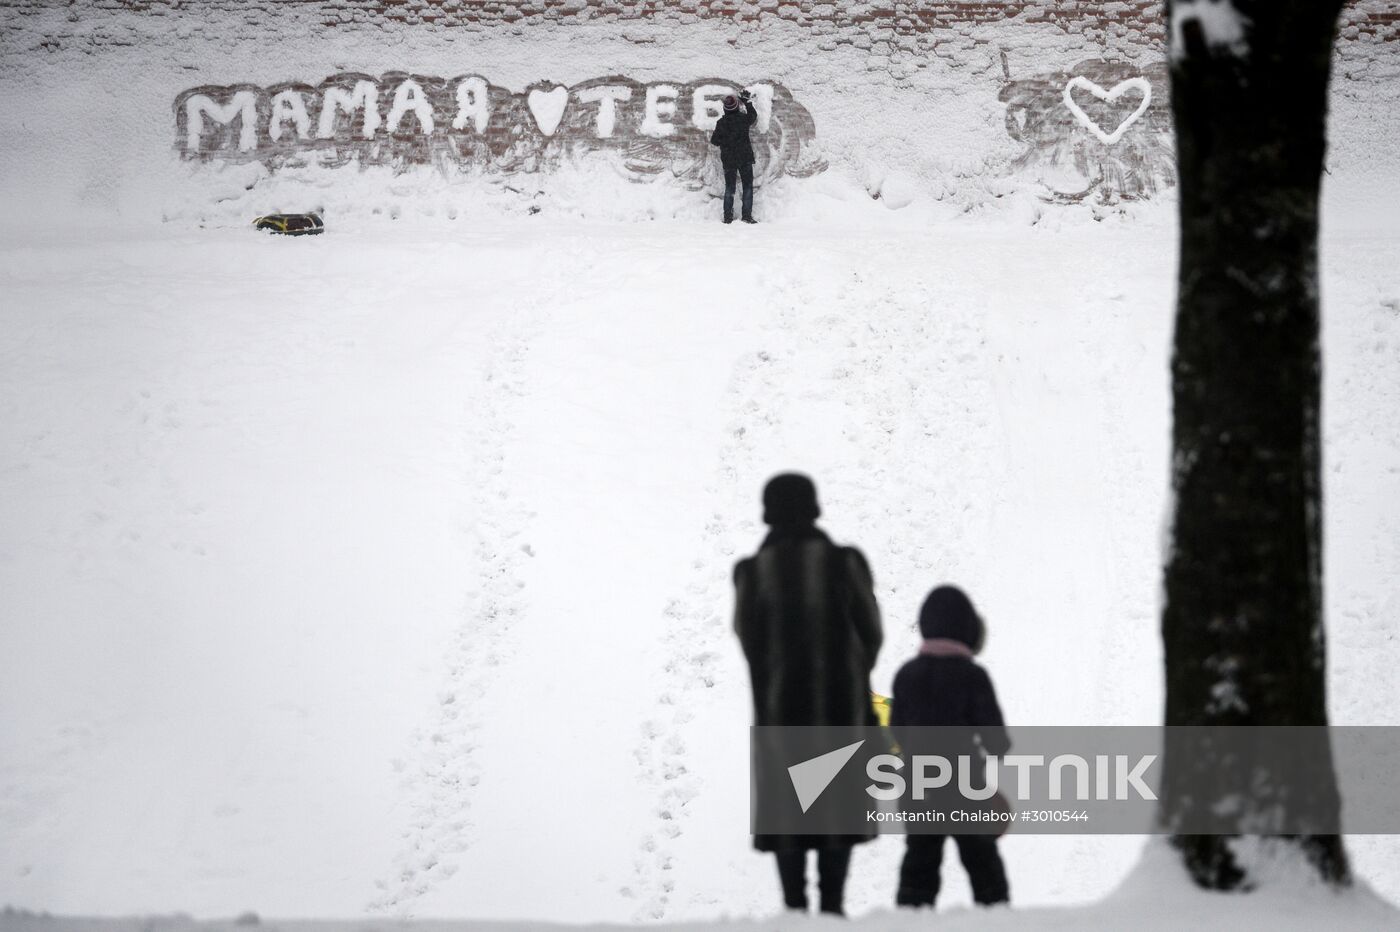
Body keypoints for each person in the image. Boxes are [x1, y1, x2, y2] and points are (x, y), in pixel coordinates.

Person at [733, 473, 882, 916]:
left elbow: (749, 640)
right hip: (840, 711)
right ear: (814, 508)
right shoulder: (844, 563)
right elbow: (871, 633)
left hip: (781, 715)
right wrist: (848, 672)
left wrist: (778, 674)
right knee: (838, 811)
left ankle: (795, 910)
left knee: (788, 813)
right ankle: (832, 910)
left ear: (768, 512)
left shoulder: (752, 573)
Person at [891, 585, 1011, 909]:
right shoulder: (972, 676)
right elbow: (995, 736)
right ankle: (997, 919)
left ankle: (910, 919)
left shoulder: (906, 676)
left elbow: (897, 731)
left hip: (919, 787)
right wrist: (995, 749)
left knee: (919, 864)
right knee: (983, 864)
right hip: (963, 789)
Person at [709, 90, 759, 224]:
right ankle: (747, 216)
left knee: (730, 188)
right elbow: (753, 116)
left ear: (725, 109)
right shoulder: (743, 119)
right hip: (744, 157)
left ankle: (728, 217)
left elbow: (714, 141)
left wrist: (725, 140)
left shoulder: (721, 123)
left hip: (729, 159)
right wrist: (747, 102)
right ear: (737, 107)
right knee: (747, 186)